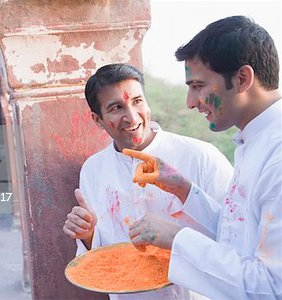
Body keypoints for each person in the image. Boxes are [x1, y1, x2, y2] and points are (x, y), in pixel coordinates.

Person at [126, 16, 282, 299]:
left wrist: (176, 238)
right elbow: (239, 235)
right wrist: (182, 188)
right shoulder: (255, 140)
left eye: (198, 85)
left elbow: (272, 287)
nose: (189, 101)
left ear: (242, 78)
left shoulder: (277, 155)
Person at [62, 63, 234, 299]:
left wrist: (185, 195)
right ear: (97, 119)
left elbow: (235, 235)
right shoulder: (93, 169)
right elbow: (102, 254)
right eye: (116, 107)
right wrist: (88, 233)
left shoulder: (201, 156)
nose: (132, 116)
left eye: (137, 101)